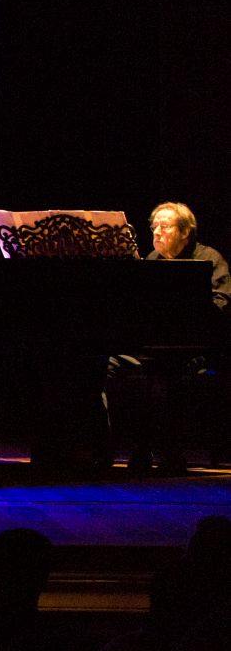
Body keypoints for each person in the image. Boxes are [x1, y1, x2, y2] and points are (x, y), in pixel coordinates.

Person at [112, 201, 231, 472]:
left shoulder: (209, 259)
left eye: (165, 227)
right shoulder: (152, 261)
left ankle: (166, 451)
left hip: (196, 348)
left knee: (164, 372)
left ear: (185, 232)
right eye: (154, 227)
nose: (157, 232)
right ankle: (104, 446)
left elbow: (221, 304)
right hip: (152, 346)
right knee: (108, 364)